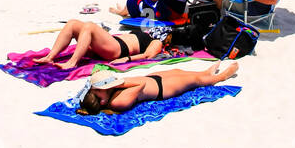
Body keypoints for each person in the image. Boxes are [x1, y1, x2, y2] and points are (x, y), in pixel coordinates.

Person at [77, 61, 239, 116]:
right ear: (102, 101)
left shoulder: (109, 93)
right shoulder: (118, 102)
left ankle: (205, 72)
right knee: (195, 81)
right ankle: (222, 76)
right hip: (162, 89)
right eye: (97, 91)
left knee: (179, 72)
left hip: (152, 79)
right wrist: (117, 83)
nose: (98, 89)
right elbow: (140, 85)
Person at [34, 18, 167, 70]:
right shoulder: (147, 35)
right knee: (72, 24)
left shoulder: (157, 42)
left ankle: (72, 62)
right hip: (113, 42)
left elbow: (147, 56)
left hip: (118, 50)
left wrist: (126, 59)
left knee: (90, 26)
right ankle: (50, 56)